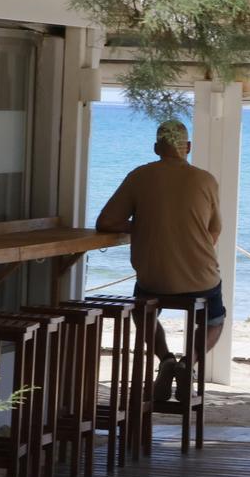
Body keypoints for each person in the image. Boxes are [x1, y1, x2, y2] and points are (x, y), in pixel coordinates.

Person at [95, 119, 225, 398]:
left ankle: (165, 360)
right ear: (187, 147)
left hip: (154, 279)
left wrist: (140, 225)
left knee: (144, 313)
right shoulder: (206, 179)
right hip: (201, 277)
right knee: (215, 321)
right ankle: (187, 365)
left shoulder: (139, 176)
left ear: (156, 148)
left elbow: (106, 221)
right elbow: (215, 229)